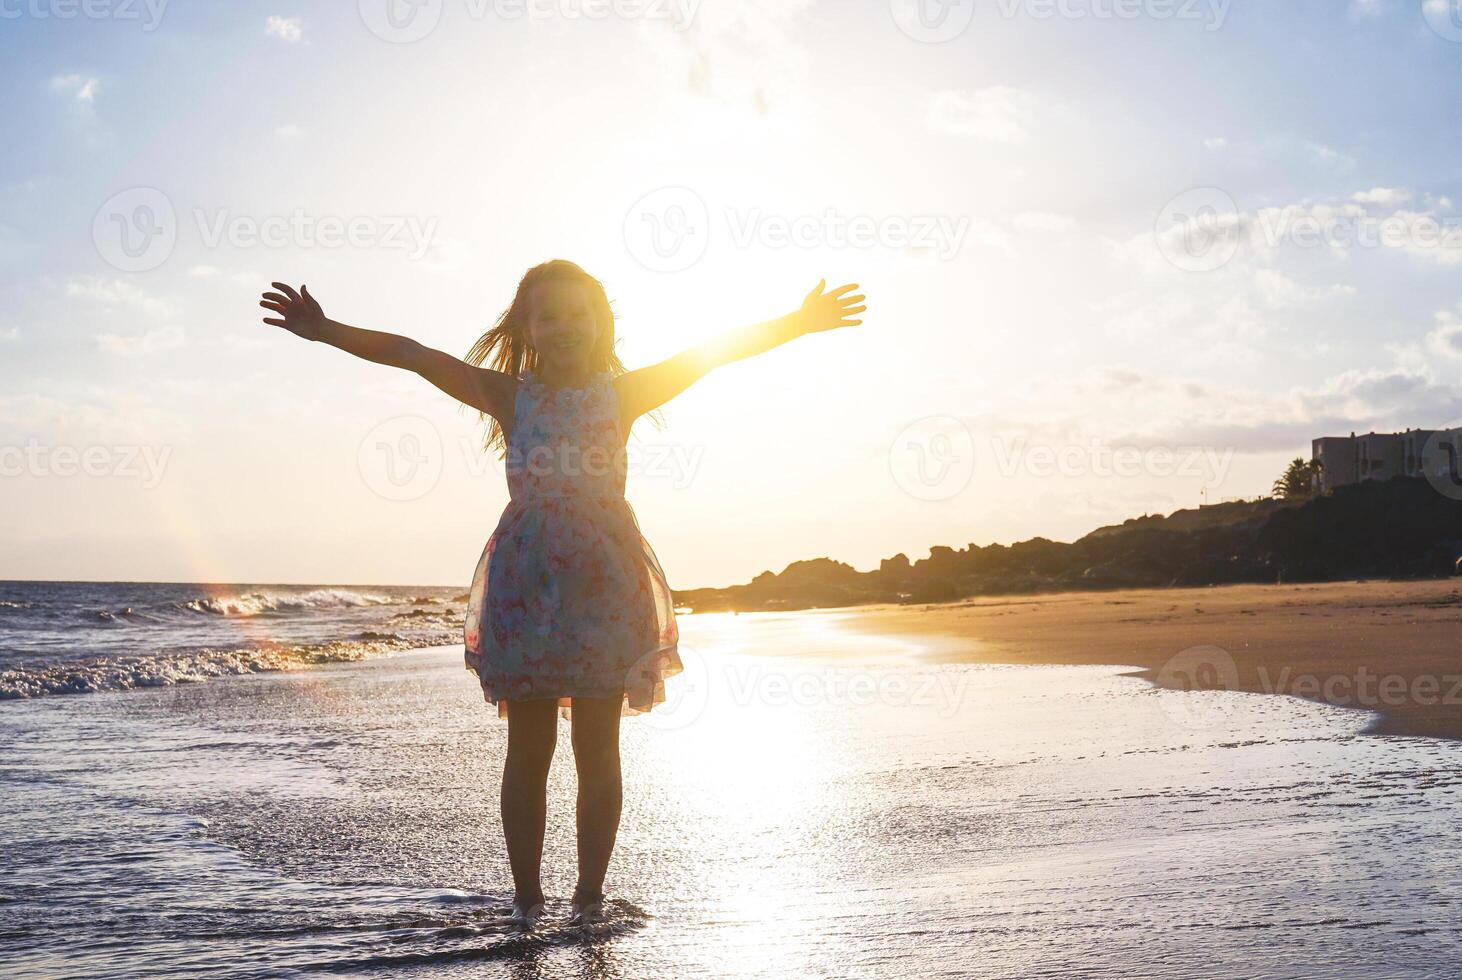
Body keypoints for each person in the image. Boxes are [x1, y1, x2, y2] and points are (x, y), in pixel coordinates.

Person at [259, 260, 865, 928]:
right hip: (526, 584)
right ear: (529, 328)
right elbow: (413, 355)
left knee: (599, 746)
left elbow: (709, 355)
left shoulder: (625, 393)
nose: (566, 327)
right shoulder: (508, 395)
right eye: (550, 316)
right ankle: (526, 897)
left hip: (605, 585)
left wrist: (799, 323)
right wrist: (324, 330)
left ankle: (589, 895)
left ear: (602, 323)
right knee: (528, 749)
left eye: (580, 315)